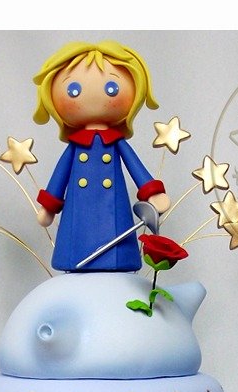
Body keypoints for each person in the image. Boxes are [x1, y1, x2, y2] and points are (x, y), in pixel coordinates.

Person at [33, 40, 170, 272]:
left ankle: (116, 261)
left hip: (113, 211)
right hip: (78, 213)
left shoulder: (116, 143)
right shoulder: (75, 147)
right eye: (73, 90)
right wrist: (49, 207)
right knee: (77, 237)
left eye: (112, 88)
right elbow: (60, 176)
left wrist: (152, 192)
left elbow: (135, 167)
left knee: (114, 235)